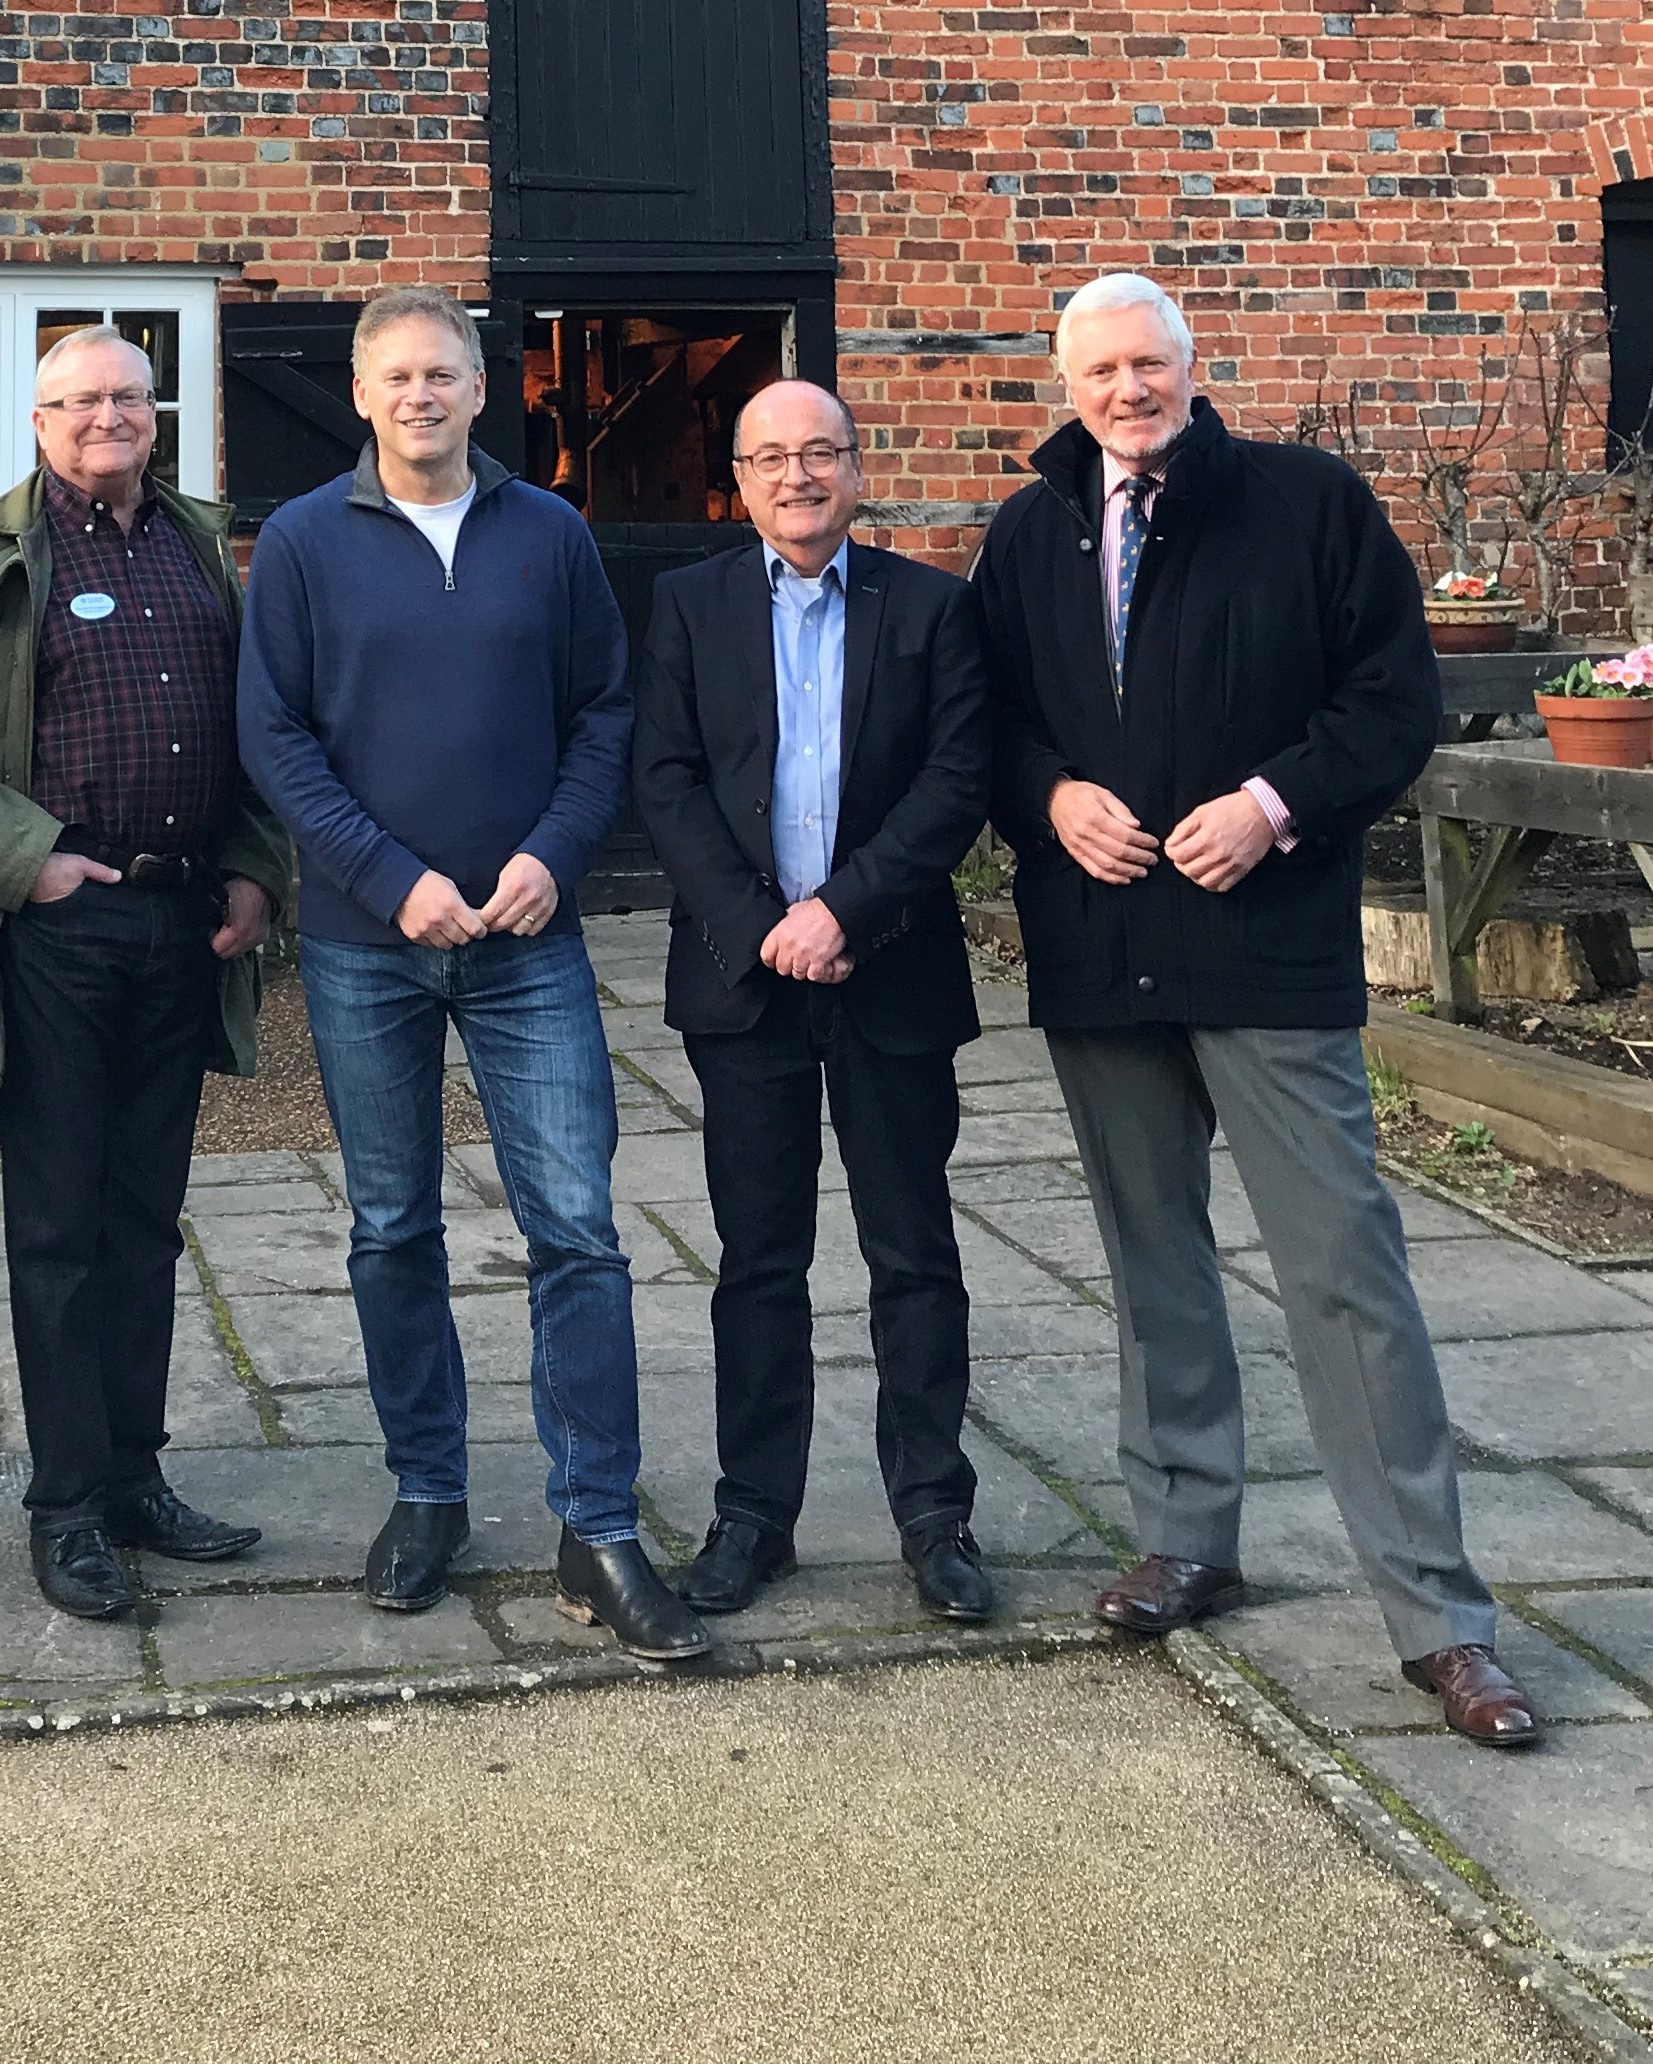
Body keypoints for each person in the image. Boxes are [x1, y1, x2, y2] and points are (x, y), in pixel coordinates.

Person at [971, 272, 1538, 1751]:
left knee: (1345, 1272)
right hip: (1103, 946)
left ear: (1192, 365)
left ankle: (1439, 1618)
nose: (1127, 390)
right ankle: (1186, 1538)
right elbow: (992, 720)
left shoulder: (1307, 504)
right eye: (1099, 369)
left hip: (1266, 946)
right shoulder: (1032, 532)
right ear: (1063, 379)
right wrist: (1049, 796)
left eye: (1149, 363)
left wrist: (1275, 806)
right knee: (1152, 1258)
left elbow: (1392, 701)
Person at [237, 285, 705, 1663]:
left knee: (578, 1232)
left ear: (478, 392)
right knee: (392, 1227)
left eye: (443, 374)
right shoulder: (307, 546)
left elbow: (603, 710)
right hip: (364, 944)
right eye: (396, 377)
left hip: (527, 941)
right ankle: (426, 1494)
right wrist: (392, 878)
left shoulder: (549, 536)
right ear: (362, 392)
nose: (421, 396)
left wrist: (556, 853)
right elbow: (275, 738)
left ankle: (598, 1524)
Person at [0, 326, 296, 1622]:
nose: (106, 416)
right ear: (38, 421)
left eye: (126, 396)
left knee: (142, 1220)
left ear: (155, 415)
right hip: (53, 933)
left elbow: (262, 727)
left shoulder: (201, 549)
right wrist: (34, 861)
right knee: (57, 1228)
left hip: (180, 928)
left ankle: (132, 1478)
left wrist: (250, 868)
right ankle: (65, 1509)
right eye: (79, 401)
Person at [632, 378, 996, 1625]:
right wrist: (763, 928)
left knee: (915, 1253)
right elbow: (665, 781)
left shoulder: (936, 608)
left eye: (821, 454)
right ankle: (753, 1517)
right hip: (745, 985)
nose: (798, 477)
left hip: (888, 968)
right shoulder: (686, 605)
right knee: (757, 1262)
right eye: (771, 458)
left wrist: (843, 909)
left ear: (856, 468)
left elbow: (957, 781)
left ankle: (936, 1517)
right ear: (737, 481)